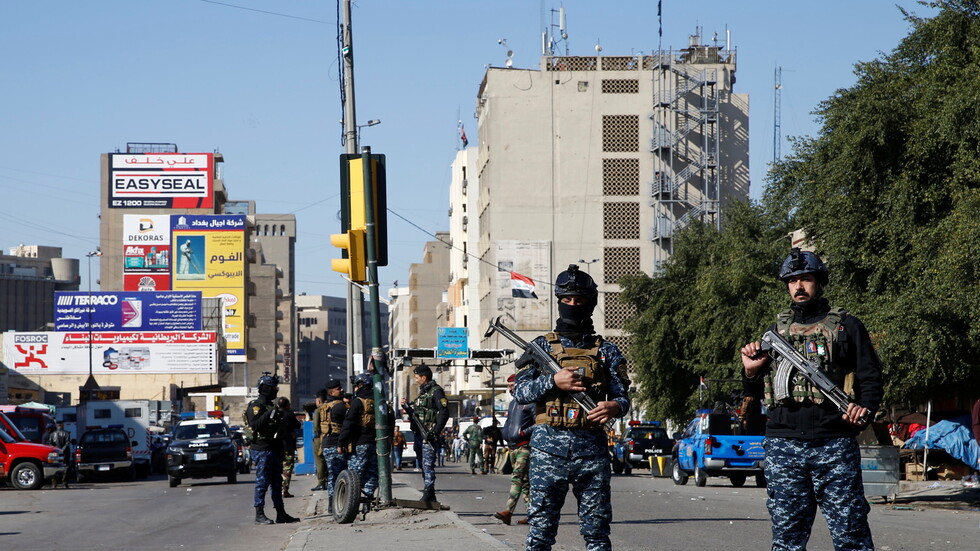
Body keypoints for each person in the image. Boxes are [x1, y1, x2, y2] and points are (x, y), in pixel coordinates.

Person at [740, 248, 883, 551]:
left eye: (805, 279)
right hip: (784, 444)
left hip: (834, 442)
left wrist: (865, 410)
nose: (799, 286)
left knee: (851, 534)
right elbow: (753, 395)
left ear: (819, 282)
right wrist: (750, 373)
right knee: (787, 539)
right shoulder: (774, 332)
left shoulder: (847, 327)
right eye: (792, 281)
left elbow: (871, 378)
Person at [513, 264, 630, 551]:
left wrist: (614, 406)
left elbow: (624, 397)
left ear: (590, 303)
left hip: (591, 451)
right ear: (559, 301)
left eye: (579, 300)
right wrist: (553, 381)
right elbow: (520, 392)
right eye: (567, 300)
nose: (573, 305)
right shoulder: (541, 348)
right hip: (547, 451)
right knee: (540, 534)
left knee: (597, 533)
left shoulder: (607, 351)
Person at [245, 373, 300, 525]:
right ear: (264, 389)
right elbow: (255, 425)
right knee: (262, 482)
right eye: (272, 388)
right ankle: (259, 514)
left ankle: (281, 513)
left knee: (277, 482)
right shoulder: (256, 406)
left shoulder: (272, 406)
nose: (275, 390)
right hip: (262, 448)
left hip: (275, 448)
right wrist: (269, 415)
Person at [400, 364, 449, 503]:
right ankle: (429, 492)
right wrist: (406, 407)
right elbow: (416, 414)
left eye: (417, 377)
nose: (416, 380)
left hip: (428, 434)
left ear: (424, 377)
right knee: (422, 463)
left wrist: (436, 431)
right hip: (418, 433)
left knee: (428, 464)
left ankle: (428, 491)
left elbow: (444, 412)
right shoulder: (423, 393)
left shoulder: (436, 391)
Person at [494, 373, 536, 526]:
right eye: (508, 386)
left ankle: (508, 511)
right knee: (524, 483)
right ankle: (533, 514)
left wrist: (523, 433)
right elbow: (509, 423)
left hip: (525, 446)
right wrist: (505, 434)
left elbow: (538, 423)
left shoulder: (531, 402)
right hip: (512, 447)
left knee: (517, 478)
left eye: (512, 385)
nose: (509, 388)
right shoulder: (513, 403)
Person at [340, 373, 379, 500]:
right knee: (372, 473)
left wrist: (341, 443)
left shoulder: (358, 402)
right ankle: (368, 500)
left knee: (354, 475)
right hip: (375, 444)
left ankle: (351, 503)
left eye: (356, 386)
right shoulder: (378, 400)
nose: (355, 389)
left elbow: (348, 423)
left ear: (360, 385)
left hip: (359, 443)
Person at [317, 378, 348, 514]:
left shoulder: (323, 407)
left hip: (326, 444)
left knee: (332, 475)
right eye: (338, 389)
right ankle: (337, 504)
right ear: (331, 391)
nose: (341, 390)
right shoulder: (340, 406)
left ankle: (332, 504)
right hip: (336, 444)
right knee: (340, 475)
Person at [277, 396, 301, 498]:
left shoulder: (275, 414)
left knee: (277, 468)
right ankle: (284, 490)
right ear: (287, 405)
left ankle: (277, 489)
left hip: (276, 446)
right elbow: (298, 425)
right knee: (287, 469)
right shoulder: (289, 415)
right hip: (287, 445)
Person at [43, 422, 72, 488]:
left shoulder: (52, 434)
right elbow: (67, 442)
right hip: (65, 452)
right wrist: (62, 449)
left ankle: (54, 483)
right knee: (66, 467)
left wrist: (56, 449)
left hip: (55, 452)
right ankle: (64, 483)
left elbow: (50, 443)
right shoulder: (67, 433)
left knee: (55, 467)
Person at [310, 389, 329, 491]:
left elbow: (316, 426)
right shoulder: (330, 407)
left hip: (320, 437)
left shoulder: (318, 410)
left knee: (319, 460)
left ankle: (321, 482)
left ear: (318, 401)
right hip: (330, 436)